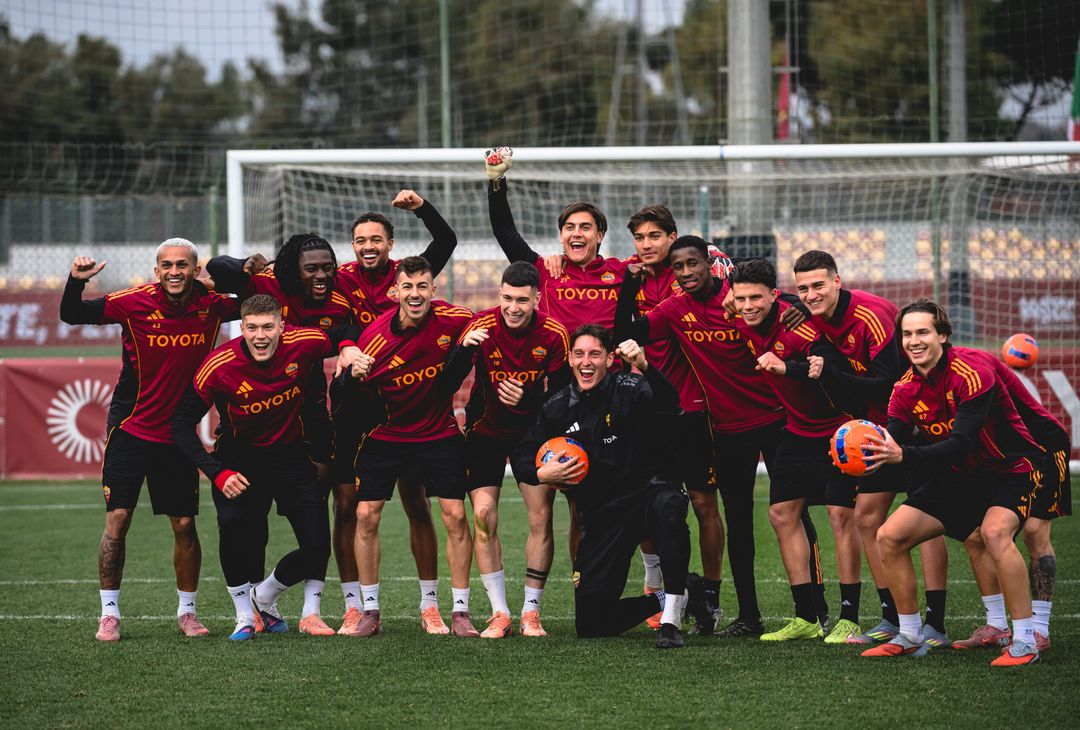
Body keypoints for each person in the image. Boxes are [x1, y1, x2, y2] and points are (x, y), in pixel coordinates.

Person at [615, 235, 827, 637]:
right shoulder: (675, 309)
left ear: (710, 265)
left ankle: (814, 611)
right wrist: (629, 284)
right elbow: (626, 328)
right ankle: (749, 616)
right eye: (678, 267)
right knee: (739, 523)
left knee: (795, 514)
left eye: (693, 264)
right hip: (728, 428)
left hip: (781, 421)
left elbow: (779, 303)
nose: (686, 273)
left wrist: (796, 308)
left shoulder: (738, 300)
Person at [60, 239, 239, 642]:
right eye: (166, 265)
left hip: (178, 434)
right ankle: (109, 614)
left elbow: (258, 297)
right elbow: (71, 313)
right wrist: (75, 281)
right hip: (131, 429)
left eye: (183, 265)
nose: (174, 271)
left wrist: (218, 281)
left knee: (183, 524)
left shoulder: (213, 307)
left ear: (195, 270)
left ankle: (187, 612)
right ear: (156, 271)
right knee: (118, 520)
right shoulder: (133, 302)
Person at [862, 299, 1043, 666]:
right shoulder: (903, 389)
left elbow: (961, 444)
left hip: (1011, 468)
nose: (914, 340)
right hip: (961, 477)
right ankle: (911, 635)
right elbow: (894, 441)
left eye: (923, 332)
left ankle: (1026, 640)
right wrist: (864, 453)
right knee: (889, 536)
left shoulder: (971, 371)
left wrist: (902, 456)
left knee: (994, 534)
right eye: (907, 334)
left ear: (943, 335)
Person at [510, 324, 713, 649]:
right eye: (579, 354)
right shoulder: (558, 406)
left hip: (649, 494)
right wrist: (541, 474)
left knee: (669, 507)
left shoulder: (632, 387)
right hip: (603, 515)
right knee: (591, 623)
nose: (586, 361)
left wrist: (646, 366)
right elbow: (522, 453)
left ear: (609, 359)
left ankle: (671, 619)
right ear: (571, 360)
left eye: (594, 354)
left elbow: (669, 402)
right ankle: (682, 592)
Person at [793, 250, 951, 648]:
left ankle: (935, 623)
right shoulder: (811, 314)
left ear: (837, 281)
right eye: (803, 289)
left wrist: (831, 373)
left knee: (928, 520)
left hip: (918, 422)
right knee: (866, 517)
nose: (810, 295)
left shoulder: (873, 315)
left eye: (817, 286)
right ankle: (892, 617)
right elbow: (768, 298)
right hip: (877, 431)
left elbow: (885, 385)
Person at [206, 233, 361, 634]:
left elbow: (347, 329)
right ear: (292, 267)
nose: (323, 275)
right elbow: (217, 268)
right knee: (249, 521)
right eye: (313, 268)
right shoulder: (265, 286)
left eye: (328, 267)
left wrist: (346, 343)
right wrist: (245, 263)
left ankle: (310, 610)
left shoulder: (337, 300)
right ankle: (255, 606)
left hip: (310, 416)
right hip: (261, 419)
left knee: (314, 522)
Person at [486, 146, 627, 564]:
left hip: (614, 394)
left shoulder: (621, 272)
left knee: (628, 497)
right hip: (565, 396)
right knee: (577, 506)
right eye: (569, 227)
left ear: (600, 235)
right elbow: (506, 235)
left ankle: (653, 586)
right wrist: (497, 181)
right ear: (561, 234)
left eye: (586, 227)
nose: (576, 233)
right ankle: (585, 586)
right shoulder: (547, 271)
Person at [172, 294, 339, 640]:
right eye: (252, 328)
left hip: (291, 456)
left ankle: (263, 595)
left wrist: (350, 346)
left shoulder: (303, 342)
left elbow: (346, 331)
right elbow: (180, 425)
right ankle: (245, 616)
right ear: (242, 329)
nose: (260, 335)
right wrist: (217, 472)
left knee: (318, 545)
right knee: (233, 526)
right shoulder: (218, 366)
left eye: (267, 327)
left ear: (281, 326)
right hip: (239, 459)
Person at [332, 190, 460, 633]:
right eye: (360, 239)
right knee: (351, 507)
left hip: (413, 406)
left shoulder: (411, 276)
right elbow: (296, 286)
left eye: (376, 239)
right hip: (362, 405)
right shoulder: (339, 278)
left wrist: (422, 207)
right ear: (352, 245)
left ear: (390, 245)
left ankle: (431, 605)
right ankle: (359, 605)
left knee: (417, 504)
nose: (368, 245)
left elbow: (445, 242)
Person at [731, 258, 864, 643]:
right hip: (797, 430)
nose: (749, 305)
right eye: (741, 299)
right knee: (781, 513)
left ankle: (849, 618)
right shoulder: (739, 317)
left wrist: (786, 366)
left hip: (839, 430)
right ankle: (805, 617)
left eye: (757, 297)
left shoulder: (798, 323)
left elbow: (831, 366)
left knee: (841, 515)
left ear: (774, 296)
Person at [437, 262, 570, 637]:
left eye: (523, 300)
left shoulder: (554, 334)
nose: (514, 307)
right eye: (508, 298)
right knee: (483, 515)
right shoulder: (480, 326)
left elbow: (562, 399)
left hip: (534, 435)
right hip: (485, 433)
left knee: (540, 518)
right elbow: (446, 383)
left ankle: (531, 612)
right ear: (499, 296)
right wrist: (463, 350)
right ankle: (500, 612)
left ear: (537, 299)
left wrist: (528, 399)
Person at [619, 205, 723, 633]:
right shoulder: (629, 274)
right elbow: (621, 327)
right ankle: (657, 591)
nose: (646, 245)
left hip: (692, 407)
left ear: (673, 237)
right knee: (648, 501)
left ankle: (712, 598)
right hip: (643, 409)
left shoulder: (694, 273)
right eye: (639, 238)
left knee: (702, 503)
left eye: (654, 236)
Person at [953, 356, 1071, 653]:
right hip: (1000, 457)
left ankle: (1039, 630)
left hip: (1043, 446)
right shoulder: (917, 377)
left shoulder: (970, 367)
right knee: (976, 535)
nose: (913, 343)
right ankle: (996, 625)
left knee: (1034, 532)